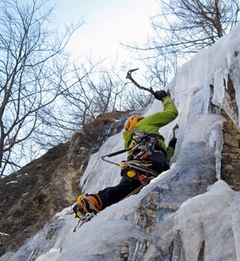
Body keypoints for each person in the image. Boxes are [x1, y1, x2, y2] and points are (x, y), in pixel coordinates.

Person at [71, 90, 179, 219]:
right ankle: (93, 201)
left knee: (122, 191)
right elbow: (172, 113)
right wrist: (165, 97)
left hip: (141, 168)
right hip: (153, 164)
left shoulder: (131, 145)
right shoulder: (143, 124)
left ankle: (93, 203)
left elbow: (166, 156)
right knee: (131, 185)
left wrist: (171, 146)